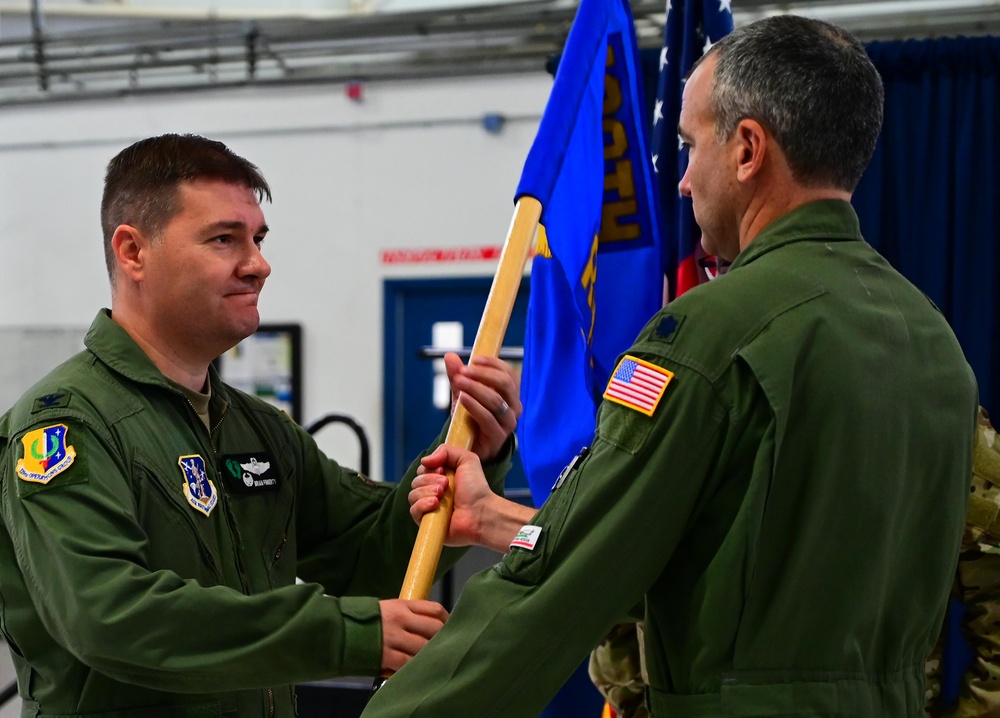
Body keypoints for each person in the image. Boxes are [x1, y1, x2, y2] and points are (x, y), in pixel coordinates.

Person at [362, 15, 979, 718]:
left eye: (690, 146)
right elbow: (711, 557)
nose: (682, 181)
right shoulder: (932, 341)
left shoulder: (712, 333)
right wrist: (494, 515)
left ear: (748, 149)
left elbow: (566, 581)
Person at [0, 133, 522, 718]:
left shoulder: (256, 431)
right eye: (224, 239)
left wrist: (475, 443)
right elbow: (109, 615)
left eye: (258, 239)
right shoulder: (69, 426)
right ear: (133, 252)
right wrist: (347, 634)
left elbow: (370, 553)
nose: (259, 264)